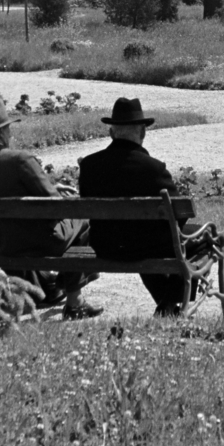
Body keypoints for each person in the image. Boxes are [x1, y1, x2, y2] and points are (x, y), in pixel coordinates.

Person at [0, 99, 103, 320]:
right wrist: (58, 194)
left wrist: (51, 186)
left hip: (0, 242)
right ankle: (74, 300)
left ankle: (54, 287)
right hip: (42, 242)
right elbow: (55, 206)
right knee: (83, 221)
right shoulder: (20, 159)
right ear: (2, 132)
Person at [79, 97, 200, 317]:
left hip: (105, 246)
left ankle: (167, 304)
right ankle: (171, 301)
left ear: (111, 133)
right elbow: (178, 217)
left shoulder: (89, 166)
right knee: (201, 239)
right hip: (146, 248)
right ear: (142, 133)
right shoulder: (153, 168)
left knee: (146, 240)